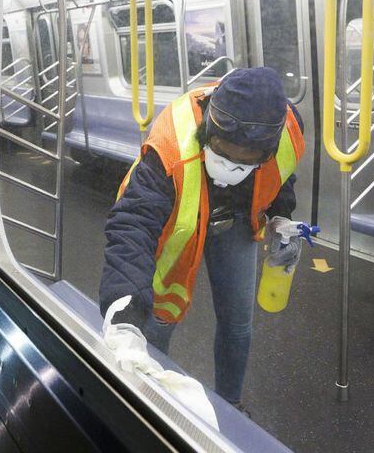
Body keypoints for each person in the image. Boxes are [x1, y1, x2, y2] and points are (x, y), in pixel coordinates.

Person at [99, 67, 305, 411]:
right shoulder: (170, 143)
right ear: (209, 127)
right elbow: (133, 224)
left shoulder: (287, 133)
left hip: (235, 223)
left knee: (238, 325)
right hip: (180, 220)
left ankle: (230, 405)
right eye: (222, 150)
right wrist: (123, 314)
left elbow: (281, 177)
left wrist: (281, 217)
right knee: (155, 323)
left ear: (265, 151)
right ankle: (149, 400)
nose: (232, 165)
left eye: (247, 160)